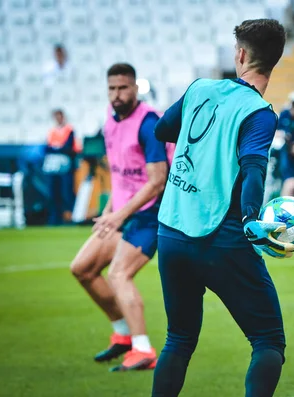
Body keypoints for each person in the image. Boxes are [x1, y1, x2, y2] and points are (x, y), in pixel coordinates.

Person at [152, 19, 294, 397]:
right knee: (267, 341)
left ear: (241, 54)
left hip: (170, 232)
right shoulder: (259, 112)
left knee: (178, 340)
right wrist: (251, 218)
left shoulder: (200, 88)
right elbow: (253, 168)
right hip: (221, 238)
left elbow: (162, 130)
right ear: (273, 62)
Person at [69, 63, 173, 372]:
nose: (117, 94)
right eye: (112, 88)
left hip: (150, 214)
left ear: (135, 88)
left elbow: (157, 180)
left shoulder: (149, 124)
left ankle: (143, 350)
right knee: (82, 269)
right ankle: (124, 336)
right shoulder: (109, 119)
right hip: (123, 212)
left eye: (123, 88)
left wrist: (119, 214)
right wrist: (109, 209)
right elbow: (121, 171)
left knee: (118, 275)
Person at [43, 109, 80, 225]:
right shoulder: (52, 131)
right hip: (53, 168)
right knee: (54, 193)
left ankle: (69, 218)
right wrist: (58, 148)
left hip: (66, 167)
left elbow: (69, 147)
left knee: (67, 192)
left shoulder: (69, 130)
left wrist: (57, 148)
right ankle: (55, 218)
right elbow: (48, 148)